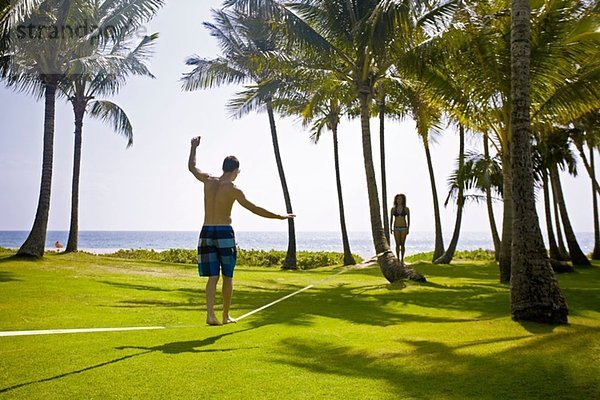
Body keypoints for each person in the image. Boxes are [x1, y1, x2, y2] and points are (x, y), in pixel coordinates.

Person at [188, 136, 294, 326]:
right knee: (227, 275)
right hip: (223, 232)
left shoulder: (208, 181)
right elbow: (254, 208)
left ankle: (210, 315)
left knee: (213, 276)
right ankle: (225, 316)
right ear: (235, 171)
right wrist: (280, 216)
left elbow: (192, 167)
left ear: (223, 168)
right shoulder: (233, 189)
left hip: (206, 231)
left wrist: (193, 147)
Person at [390, 194, 410, 265]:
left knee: (403, 244)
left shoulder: (406, 209)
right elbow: (391, 219)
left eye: (400, 199)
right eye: (398, 199)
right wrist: (390, 228)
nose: (399, 200)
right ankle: (398, 259)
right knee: (397, 244)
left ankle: (402, 259)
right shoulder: (393, 209)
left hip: (404, 227)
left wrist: (408, 228)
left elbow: (408, 219)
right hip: (396, 228)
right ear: (396, 200)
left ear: (403, 200)